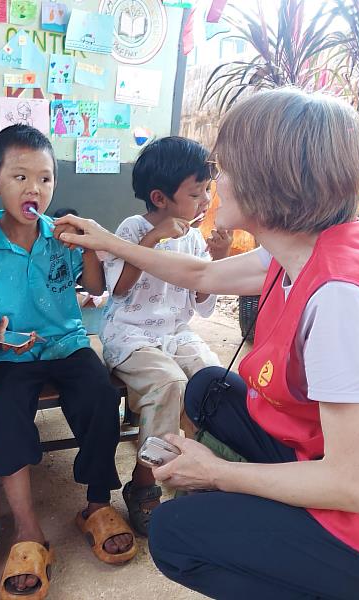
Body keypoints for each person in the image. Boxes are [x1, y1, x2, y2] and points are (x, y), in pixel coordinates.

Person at [55, 88, 359, 599]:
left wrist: (218, 474)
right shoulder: (305, 246)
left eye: (224, 168)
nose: (214, 183)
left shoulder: (344, 304)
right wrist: (106, 241)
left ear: (268, 182)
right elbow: (200, 271)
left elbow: (356, 486)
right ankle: (289, 519)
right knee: (208, 389)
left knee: (179, 534)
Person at [0, 124, 137, 599]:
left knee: (101, 397)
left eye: (44, 178)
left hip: (66, 342)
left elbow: (96, 290)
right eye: (20, 177)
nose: (33, 188)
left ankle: (97, 505)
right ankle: (27, 530)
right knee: (3, 414)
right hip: (11, 352)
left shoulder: (60, 236)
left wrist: (91, 245)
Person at [102, 136, 230, 536]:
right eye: (196, 193)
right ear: (160, 197)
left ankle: (195, 472)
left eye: (207, 190)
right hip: (131, 336)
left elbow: (200, 297)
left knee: (214, 379)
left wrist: (220, 258)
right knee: (170, 383)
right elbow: (118, 289)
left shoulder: (192, 237)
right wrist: (150, 242)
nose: (206, 200)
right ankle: (142, 484)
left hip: (175, 333)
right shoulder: (133, 228)